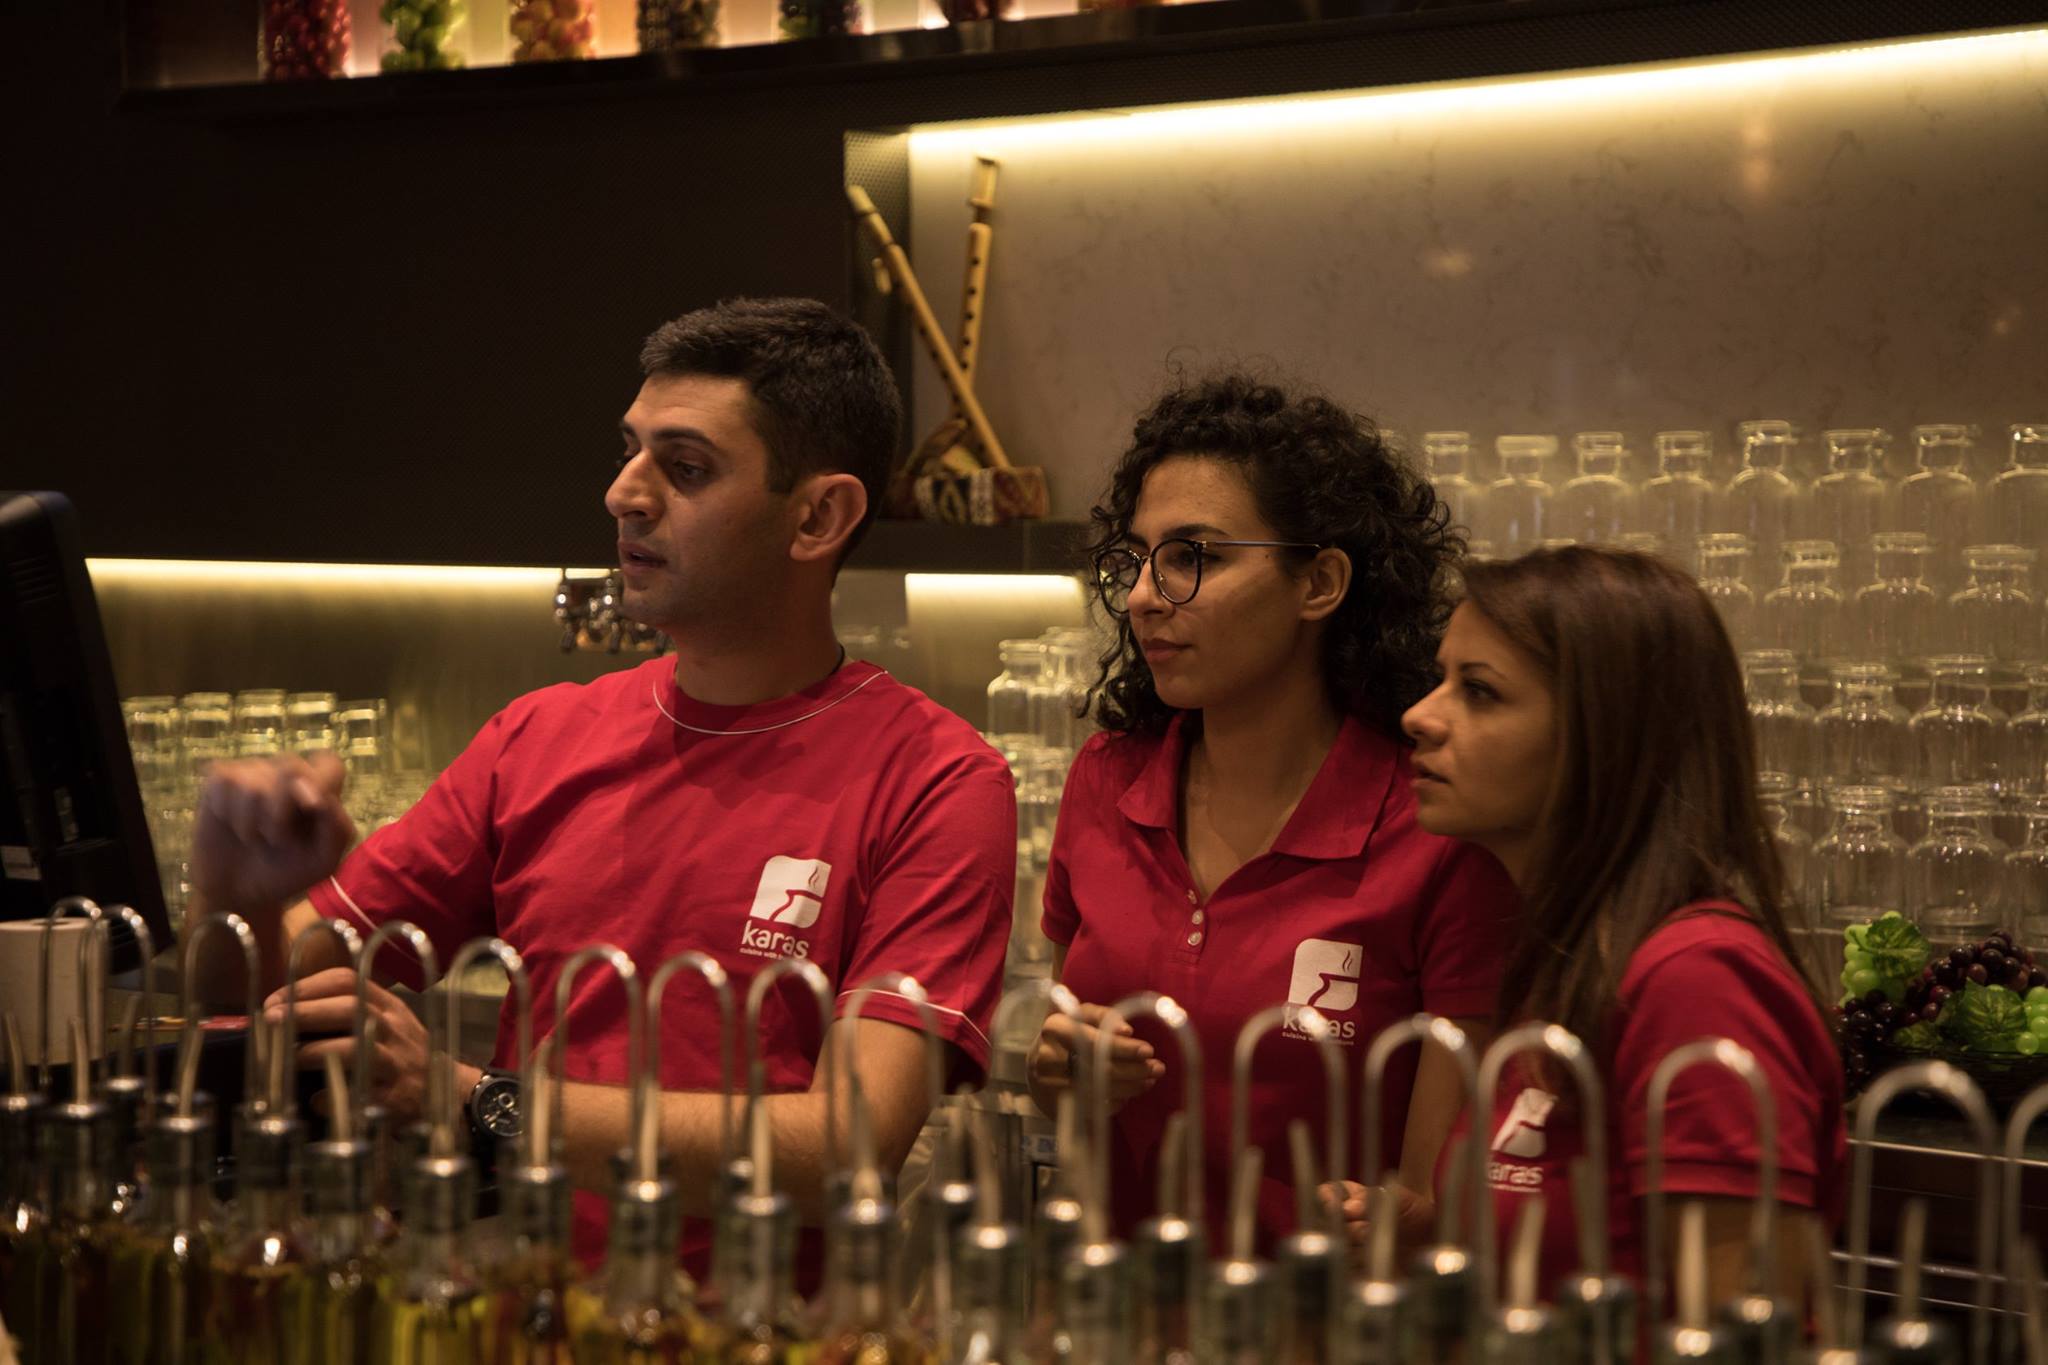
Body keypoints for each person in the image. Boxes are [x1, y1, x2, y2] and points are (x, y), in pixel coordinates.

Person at [188, 297, 1018, 1276]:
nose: (625, 493)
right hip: (524, 1310)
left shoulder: (937, 780)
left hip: (766, 1334)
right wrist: (237, 889)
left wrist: (476, 1098)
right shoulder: (539, 738)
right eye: (630, 452)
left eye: (686, 467)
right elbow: (266, 994)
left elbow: (849, 1148)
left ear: (818, 516)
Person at [1026, 374, 1520, 1246]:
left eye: (1194, 557)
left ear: (1319, 582)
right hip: (1112, 1298)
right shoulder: (1106, 780)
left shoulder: (1432, 826)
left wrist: (1402, 1217)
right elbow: (1060, 1065)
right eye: (1137, 559)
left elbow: (1438, 1193)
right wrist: (1061, 1069)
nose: (1143, 596)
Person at [1394, 543, 1844, 1302]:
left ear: (1606, 733)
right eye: (1440, 680)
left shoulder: (1697, 981)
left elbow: (1736, 1331)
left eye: (1479, 691)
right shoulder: (1570, 957)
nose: (1419, 716)